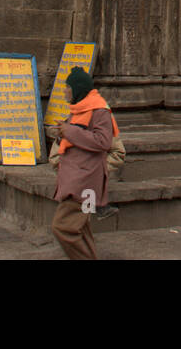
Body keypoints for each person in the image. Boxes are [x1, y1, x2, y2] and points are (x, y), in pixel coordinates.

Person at [51, 67, 116, 259]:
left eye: (67, 87)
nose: (64, 91)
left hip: (84, 183)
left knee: (62, 227)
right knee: (82, 226)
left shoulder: (99, 110)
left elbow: (103, 142)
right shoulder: (80, 108)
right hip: (78, 179)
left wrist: (69, 131)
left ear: (77, 88)